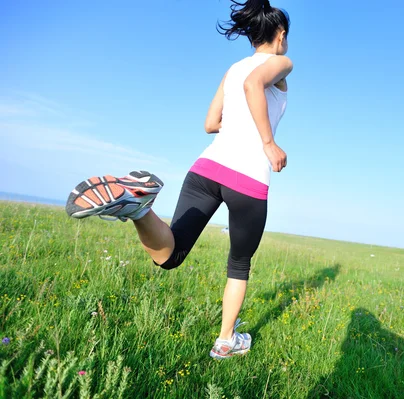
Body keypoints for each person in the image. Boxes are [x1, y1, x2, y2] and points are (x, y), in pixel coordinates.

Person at [64, 0, 292, 360]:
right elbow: (254, 84)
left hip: (207, 168)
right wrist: (267, 142)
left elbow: (210, 124)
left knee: (170, 256)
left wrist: (239, 124)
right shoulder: (280, 63)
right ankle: (225, 340)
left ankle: (137, 208)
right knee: (239, 264)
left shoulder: (232, 68)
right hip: (247, 178)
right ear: (280, 35)